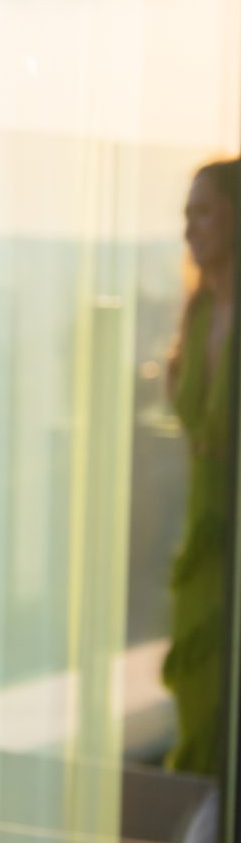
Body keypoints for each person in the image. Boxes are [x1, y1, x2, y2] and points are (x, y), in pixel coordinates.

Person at [161, 157, 240, 776]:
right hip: (202, 545)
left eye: (205, 211)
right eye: (188, 214)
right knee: (199, 702)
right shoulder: (196, 314)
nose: (190, 227)